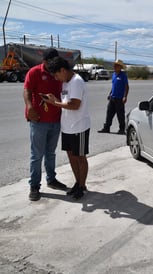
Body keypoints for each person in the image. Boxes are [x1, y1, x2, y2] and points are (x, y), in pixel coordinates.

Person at [43, 56, 91, 199]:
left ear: (63, 70)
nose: (56, 78)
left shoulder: (76, 82)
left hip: (79, 126)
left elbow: (75, 105)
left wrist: (54, 104)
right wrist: (55, 100)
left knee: (80, 157)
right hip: (67, 127)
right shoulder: (66, 82)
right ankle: (78, 182)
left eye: (57, 74)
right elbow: (66, 102)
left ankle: (82, 186)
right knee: (71, 157)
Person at [23, 48, 67, 201]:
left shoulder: (58, 74)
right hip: (39, 121)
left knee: (51, 153)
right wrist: (29, 107)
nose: (51, 65)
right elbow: (27, 91)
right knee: (37, 155)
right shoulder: (34, 72)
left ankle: (51, 180)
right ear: (44, 62)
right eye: (49, 63)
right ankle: (34, 186)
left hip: (55, 120)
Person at [98, 59, 129, 135]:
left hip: (119, 99)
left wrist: (125, 96)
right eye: (114, 65)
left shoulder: (123, 76)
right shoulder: (114, 75)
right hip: (112, 98)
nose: (114, 67)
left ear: (120, 67)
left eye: (116, 65)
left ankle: (121, 129)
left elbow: (127, 87)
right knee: (109, 114)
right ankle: (106, 128)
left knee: (120, 115)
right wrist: (110, 93)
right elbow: (113, 86)